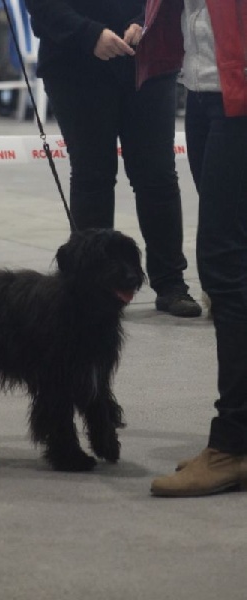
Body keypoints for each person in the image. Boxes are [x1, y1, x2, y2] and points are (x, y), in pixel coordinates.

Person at [24, 0, 202, 317]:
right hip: (74, 63)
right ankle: (90, 287)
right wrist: (89, 34)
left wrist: (144, 22)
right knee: (93, 177)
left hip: (147, 59)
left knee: (157, 176)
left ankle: (171, 283)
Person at [136, 0, 247, 496]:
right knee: (233, 267)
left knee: (225, 267)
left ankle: (232, 446)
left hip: (237, 95)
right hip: (204, 89)